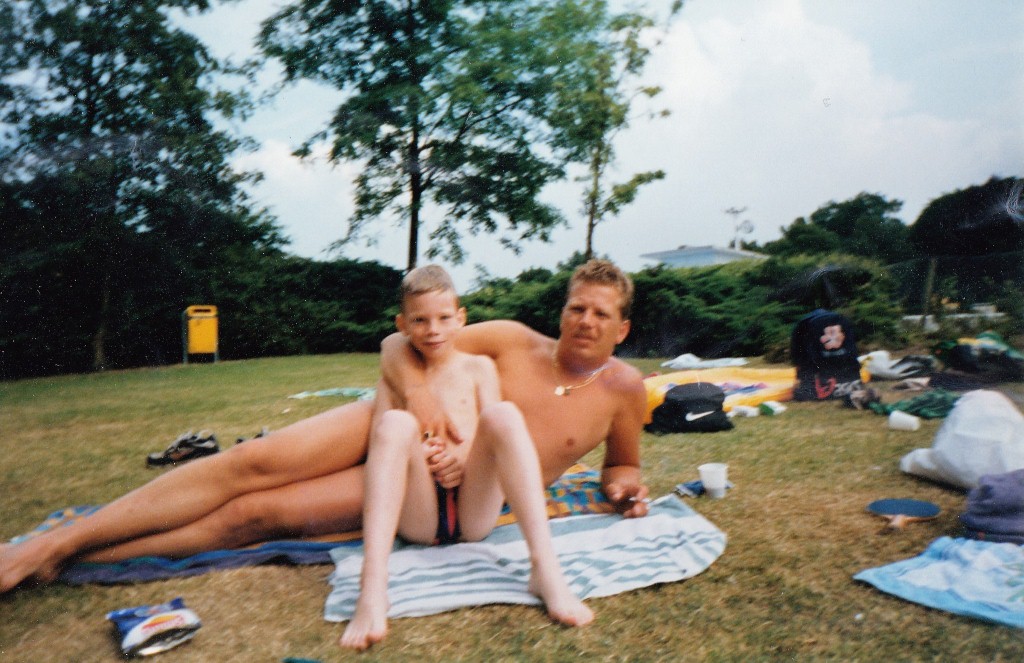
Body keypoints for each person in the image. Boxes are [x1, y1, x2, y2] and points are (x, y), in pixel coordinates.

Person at [0, 259, 648, 593]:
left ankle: (72, 554)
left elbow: (623, 464)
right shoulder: (509, 339)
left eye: (600, 315)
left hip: (447, 484)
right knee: (249, 462)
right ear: (562, 310)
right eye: (576, 307)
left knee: (255, 515)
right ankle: (52, 542)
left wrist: (623, 486)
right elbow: (398, 343)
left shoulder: (624, 391)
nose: (585, 321)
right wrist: (419, 394)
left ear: (621, 329)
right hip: (392, 422)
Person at [340, 264, 591, 650]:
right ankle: (373, 587)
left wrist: (461, 458)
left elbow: (490, 437)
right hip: (420, 515)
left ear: (461, 318)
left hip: (474, 510)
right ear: (402, 325)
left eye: (443, 318)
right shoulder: (395, 377)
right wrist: (422, 451)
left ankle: (545, 569)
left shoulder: (478, 368)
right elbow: (383, 446)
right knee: (393, 423)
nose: (433, 330)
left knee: (503, 414)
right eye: (420, 320)